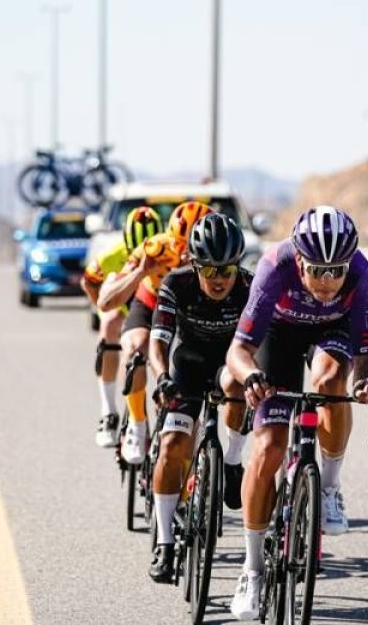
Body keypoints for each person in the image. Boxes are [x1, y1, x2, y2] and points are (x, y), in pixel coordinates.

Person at [225, 206, 368, 620]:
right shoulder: (274, 267)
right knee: (269, 448)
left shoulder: (362, 275)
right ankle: (252, 569)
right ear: (299, 259)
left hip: (331, 335)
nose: (327, 282)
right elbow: (239, 351)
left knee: (331, 382)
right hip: (277, 336)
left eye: (336, 271)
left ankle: (330, 488)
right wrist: (250, 379)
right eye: (317, 270)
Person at [146, 213, 251, 582]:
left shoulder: (250, 287)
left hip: (228, 364)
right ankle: (165, 540)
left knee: (237, 386)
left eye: (227, 271)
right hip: (186, 367)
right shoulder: (176, 284)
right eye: (209, 272)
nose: (220, 280)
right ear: (194, 266)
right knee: (173, 445)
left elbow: (266, 343)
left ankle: (233, 463)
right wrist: (160, 379)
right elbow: (157, 341)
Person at [99, 201, 213, 463]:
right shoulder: (155, 248)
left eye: (193, 249)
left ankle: (186, 473)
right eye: (180, 246)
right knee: (136, 348)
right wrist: (141, 271)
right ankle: (137, 426)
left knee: (187, 381)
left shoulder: (214, 255)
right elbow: (106, 301)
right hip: (151, 300)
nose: (185, 255)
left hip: (191, 311)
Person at [80, 207, 163, 453]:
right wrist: (100, 306)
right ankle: (108, 411)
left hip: (155, 306)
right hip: (126, 307)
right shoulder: (112, 254)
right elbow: (89, 280)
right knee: (108, 323)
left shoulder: (167, 250)